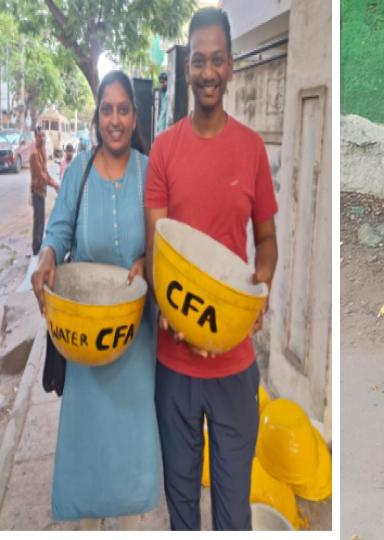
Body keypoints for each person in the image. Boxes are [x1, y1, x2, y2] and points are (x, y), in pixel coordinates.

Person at [145, 7, 278, 531]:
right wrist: (179, 319)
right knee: (182, 513)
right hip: (175, 367)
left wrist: (262, 288)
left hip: (234, 367)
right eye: (197, 60)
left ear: (231, 66)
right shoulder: (163, 150)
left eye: (216, 60)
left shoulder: (250, 150)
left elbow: (265, 240)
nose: (207, 72)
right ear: (186, 69)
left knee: (232, 514)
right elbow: (159, 254)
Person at [31, 70, 161, 530]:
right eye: (107, 109)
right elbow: (59, 231)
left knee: (128, 460)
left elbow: (164, 238)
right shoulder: (78, 171)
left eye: (123, 109)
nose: (115, 119)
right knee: (89, 460)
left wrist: (149, 259)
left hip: (134, 344)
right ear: (97, 117)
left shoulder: (152, 172)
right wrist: (47, 256)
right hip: (85, 344)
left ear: (134, 116)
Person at [29, 126, 60, 255]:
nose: (42, 138)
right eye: (39, 136)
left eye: (43, 135)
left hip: (42, 190)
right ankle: (36, 249)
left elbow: (46, 171)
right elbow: (41, 174)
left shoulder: (42, 150)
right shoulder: (34, 154)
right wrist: (54, 185)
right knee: (39, 220)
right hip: (37, 190)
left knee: (41, 219)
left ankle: (39, 245)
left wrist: (54, 182)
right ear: (35, 137)